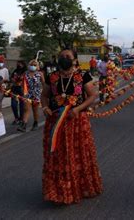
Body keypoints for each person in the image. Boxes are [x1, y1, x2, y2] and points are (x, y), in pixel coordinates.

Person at [40, 48, 102, 204]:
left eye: (67, 56)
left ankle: (79, 187)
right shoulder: (52, 76)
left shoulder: (83, 76)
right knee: (57, 154)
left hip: (77, 121)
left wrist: (78, 109)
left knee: (77, 153)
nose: (64, 58)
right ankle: (57, 189)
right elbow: (44, 95)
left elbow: (93, 95)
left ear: (75, 60)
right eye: (61, 56)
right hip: (55, 122)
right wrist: (45, 107)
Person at [18, 60, 44, 132]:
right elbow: (22, 83)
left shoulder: (40, 74)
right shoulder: (25, 74)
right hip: (27, 94)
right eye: (31, 64)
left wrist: (43, 93)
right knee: (26, 109)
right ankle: (24, 125)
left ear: (37, 66)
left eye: (35, 65)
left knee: (35, 110)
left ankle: (35, 123)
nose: (33, 66)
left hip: (37, 94)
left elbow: (44, 83)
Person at [10, 61, 26, 125]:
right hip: (14, 88)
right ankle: (16, 118)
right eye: (18, 63)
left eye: (20, 63)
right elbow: (11, 77)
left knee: (22, 104)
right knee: (13, 104)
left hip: (22, 89)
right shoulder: (15, 71)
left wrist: (21, 79)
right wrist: (12, 79)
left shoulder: (25, 72)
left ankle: (21, 118)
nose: (19, 65)